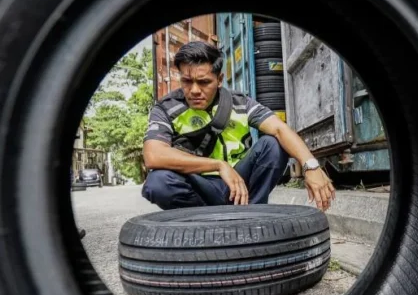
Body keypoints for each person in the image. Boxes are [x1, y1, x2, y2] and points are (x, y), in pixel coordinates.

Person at [141, 41, 336, 211]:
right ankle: (203, 219)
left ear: (219, 80)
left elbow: (280, 129)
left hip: (242, 185)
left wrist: (311, 166)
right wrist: (219, 165)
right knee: (157, 182)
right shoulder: (165, 108)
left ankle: (253, 214)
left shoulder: (240, 103)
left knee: (273, 144)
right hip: (198, 187)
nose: (194, 90)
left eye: (204, 82)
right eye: (186, 81)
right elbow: (154, 155)